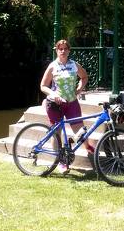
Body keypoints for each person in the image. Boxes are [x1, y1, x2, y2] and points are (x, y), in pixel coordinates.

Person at [40, 38, 94, 173]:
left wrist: (78, 90)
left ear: (69, 51)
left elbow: (84, 77)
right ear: (56, 51)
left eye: (65, 49)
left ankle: (87, 146)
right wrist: (53, 94)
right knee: (56, 134)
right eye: (60, 49)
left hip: (71, 103)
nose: (63, 51)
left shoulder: (74, 65)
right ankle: (60, 162)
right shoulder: (53, 66)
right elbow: (43, 86)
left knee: (79, 128)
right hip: (55, 104)